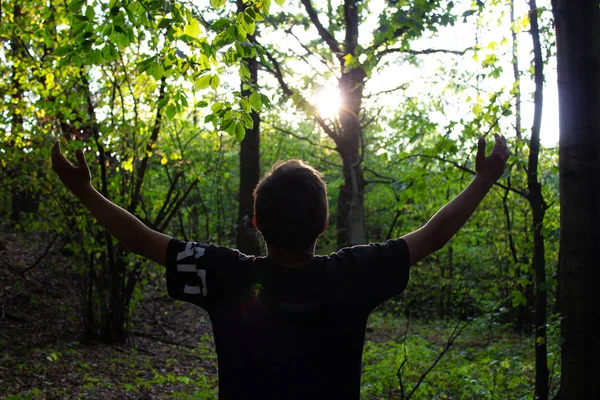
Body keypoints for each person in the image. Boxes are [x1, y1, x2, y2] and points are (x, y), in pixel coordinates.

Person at [51, 134, 509, 399]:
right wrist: (483, 179)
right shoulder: (353, 275)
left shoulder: (225, 275)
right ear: (325, 222)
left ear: (256, 223)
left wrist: (84, 191)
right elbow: (429, 237)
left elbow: (139, 239)